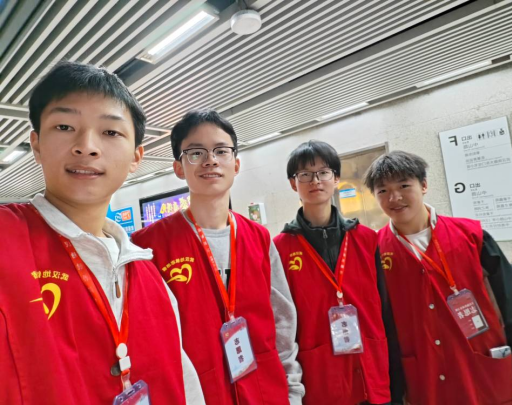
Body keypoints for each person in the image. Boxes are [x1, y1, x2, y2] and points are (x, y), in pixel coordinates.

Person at [0, 61, 205, 404]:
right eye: (64, 126)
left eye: (110, 132)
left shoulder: (150, 278)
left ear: (136, 156)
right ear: (36, 144)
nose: (87, 146)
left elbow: (186, 385)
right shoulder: (7, 242)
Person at [131, 109, 304, 405]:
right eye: (196, 152)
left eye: (221, 151)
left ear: (236, 164)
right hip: (199, 395)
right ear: (178, 167)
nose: (210, 160)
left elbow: (283, 322)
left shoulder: (259, 238)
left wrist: (292, 393)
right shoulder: (148, 246)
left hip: (265, 392)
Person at [365, 150, 512, 405]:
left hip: (486, 373)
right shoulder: (375, 250)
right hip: (425, 380)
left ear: (424, 185)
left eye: (404, 186)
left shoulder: (472, 236)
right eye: (383, 190)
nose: (394, 197)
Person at [273, 140, 404, 405]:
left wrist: (398, 381)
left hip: (372, 374)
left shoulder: (367, 240)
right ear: (293, 183)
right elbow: (282, 326)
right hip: (319, 381)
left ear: (336, 178)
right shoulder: (280, 249)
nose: (315, 181)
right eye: (305, 174)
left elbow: (386, 312)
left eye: (323, 172)